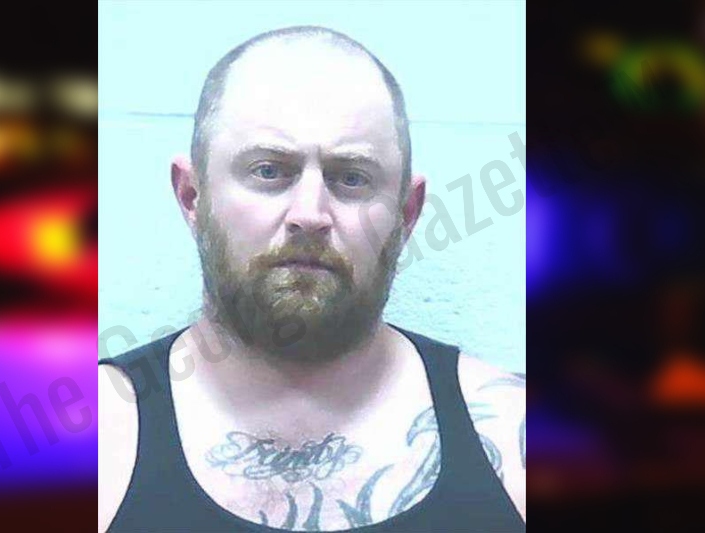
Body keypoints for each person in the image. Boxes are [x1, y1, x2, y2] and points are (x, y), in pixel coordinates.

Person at [99, 26, 526, 532]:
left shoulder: (514, 432)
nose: (310, 213)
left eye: (352, 178)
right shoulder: (90, 437)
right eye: (268, 170)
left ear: (407, 213)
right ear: (193, 197)